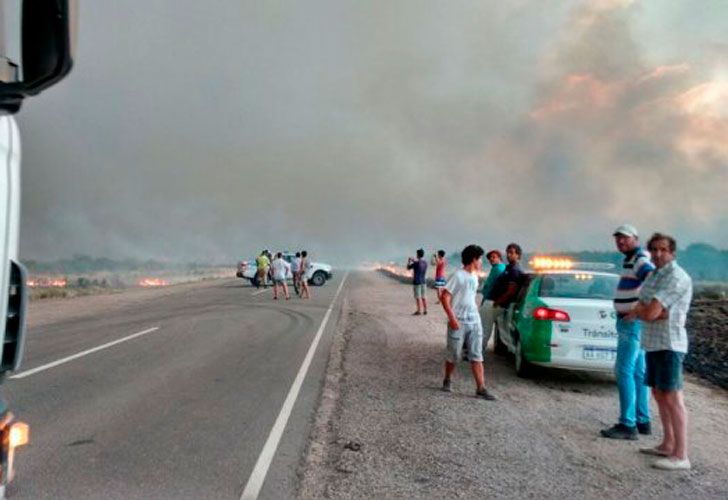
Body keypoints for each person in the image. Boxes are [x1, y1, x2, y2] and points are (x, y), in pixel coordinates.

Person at [626, 233, 693, 471]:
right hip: (652, 342)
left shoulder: (676, 277)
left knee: (673, 398)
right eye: (654, 249)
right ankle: (667, 443)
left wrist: (647, 310)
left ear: (672, 252)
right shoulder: (655, 275)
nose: (657, 254)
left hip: (670, 343)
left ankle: (681, 455)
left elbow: (650, 311)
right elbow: (640, 306)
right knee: (658, 393)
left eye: (663, 249)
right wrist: (648, 310)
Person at [601, 224, 655, 440]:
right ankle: (643, 420)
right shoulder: (631, 259)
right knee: (639, 372)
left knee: (623, 370)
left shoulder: (640, 258)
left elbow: (652, 281)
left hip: (632, 323)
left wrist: (639, 309)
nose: (620, 242)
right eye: (617, 239)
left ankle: (627, 424)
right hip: (635, 323)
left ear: (635, 238)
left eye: (624, 238)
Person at [440, 244, 496, 400]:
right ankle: (447, 378)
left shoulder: (475, 276)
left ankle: (481, 388)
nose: (481, 263)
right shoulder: (458, 275)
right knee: (454, 354)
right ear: (473, 259)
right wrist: (452, 318)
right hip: (458, 321)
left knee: (476, 355)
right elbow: (444, 296)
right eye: (479, 259)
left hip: (474, 321)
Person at [489, 243, 524, 347]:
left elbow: (511, 291)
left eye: (511, 253)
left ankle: (476, 356)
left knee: (483, 329)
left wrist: (497, 302)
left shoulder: (515, 270)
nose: (508, 255)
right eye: (507, 252)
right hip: (499, 304)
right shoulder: (509, 267)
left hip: (501, 305)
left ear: (518, 255)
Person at [479, 249, 506, 357]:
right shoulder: (500, 268)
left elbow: (489, 286)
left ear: (499, 257)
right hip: (495, 301)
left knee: (484, 328)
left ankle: (478, 353)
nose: (491, 259)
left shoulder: (498, 269)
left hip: (491, 301)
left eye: (494, 257)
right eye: (490, 258)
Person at [407, 249, 428, 315]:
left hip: (417, 281)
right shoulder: (425, 263)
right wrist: (414, 261)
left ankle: (419, 310)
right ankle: (425, 310)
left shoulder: (416, 263)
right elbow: (419, 263)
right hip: (423, 281)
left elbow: (408, 267)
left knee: (418, 297)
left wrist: (409, 261)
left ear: (417, 254)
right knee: (424, 297)